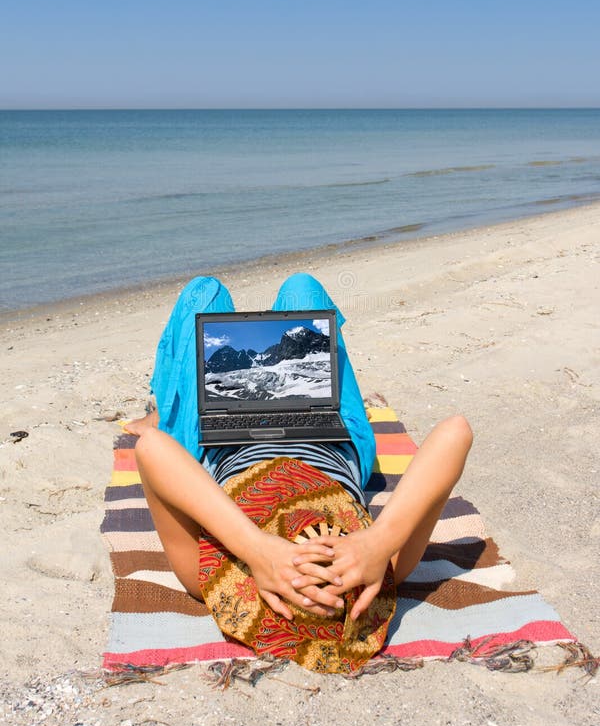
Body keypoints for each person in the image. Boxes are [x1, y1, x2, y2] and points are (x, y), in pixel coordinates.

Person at [126, 273, 472, 645]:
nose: (313, 557)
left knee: (204, 292)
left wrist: (254, 548)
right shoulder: (378, 568)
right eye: (331, 573)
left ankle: (166, 406)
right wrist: (380, 542)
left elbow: (152, 450)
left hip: (223, 438)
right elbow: (455, 433)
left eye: (299, 573)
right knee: (301, 288)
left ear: (264, 590)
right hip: (338, 437)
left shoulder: (213, 576)